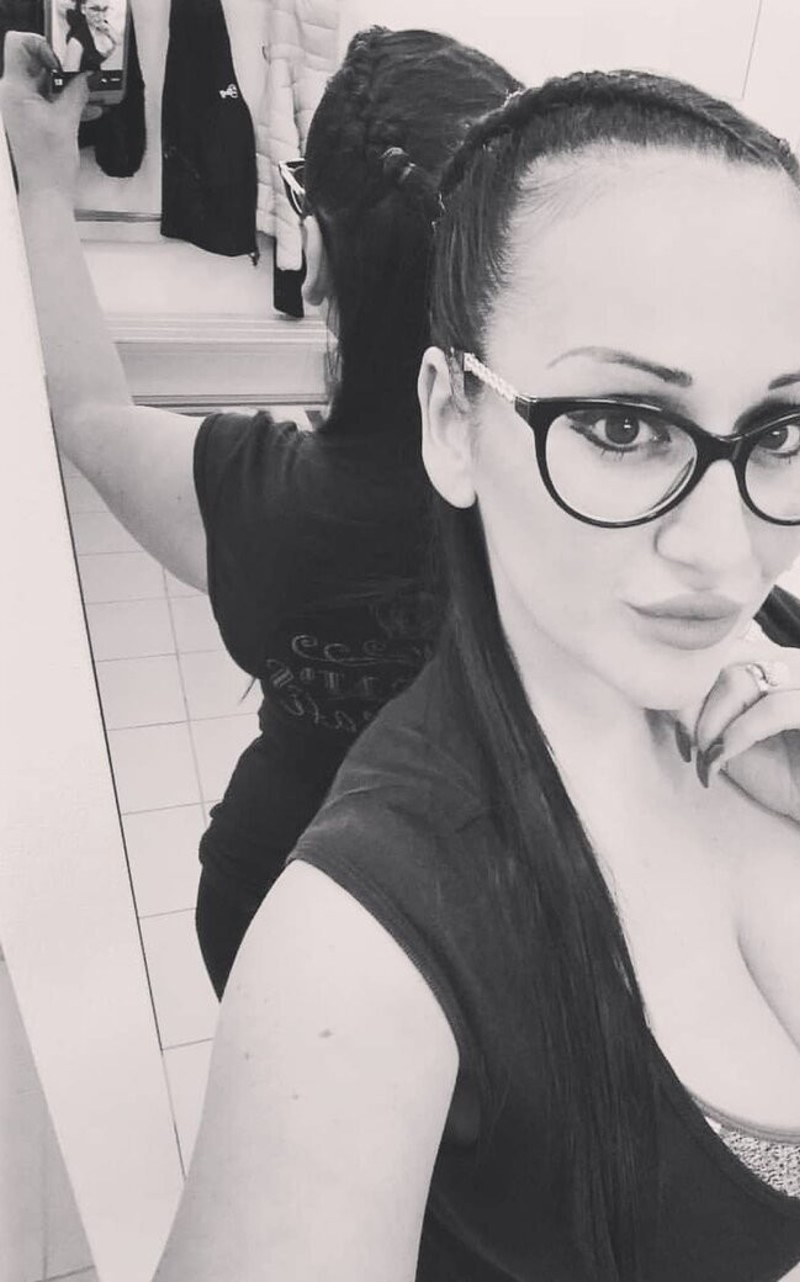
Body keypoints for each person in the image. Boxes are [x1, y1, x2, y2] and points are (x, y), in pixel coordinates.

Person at [142, 69, 800, 1281]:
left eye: (783, 430)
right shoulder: (362, 945)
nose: (726, 552)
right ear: (453, 422)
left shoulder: (784, 647)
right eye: (624, 426)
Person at [0, 27, 521, 996]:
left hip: (272, 897)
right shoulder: (567, 517)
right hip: (474, 935)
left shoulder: (270, 500)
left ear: (313, 258)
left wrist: (41, 183)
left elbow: (88, 413)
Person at [60, 0, 117, 73]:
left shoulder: (106, 29)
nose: (101, 16)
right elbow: (69, 76)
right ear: (83, 9)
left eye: (105, 9)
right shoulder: (76, 42)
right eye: (95, 9)